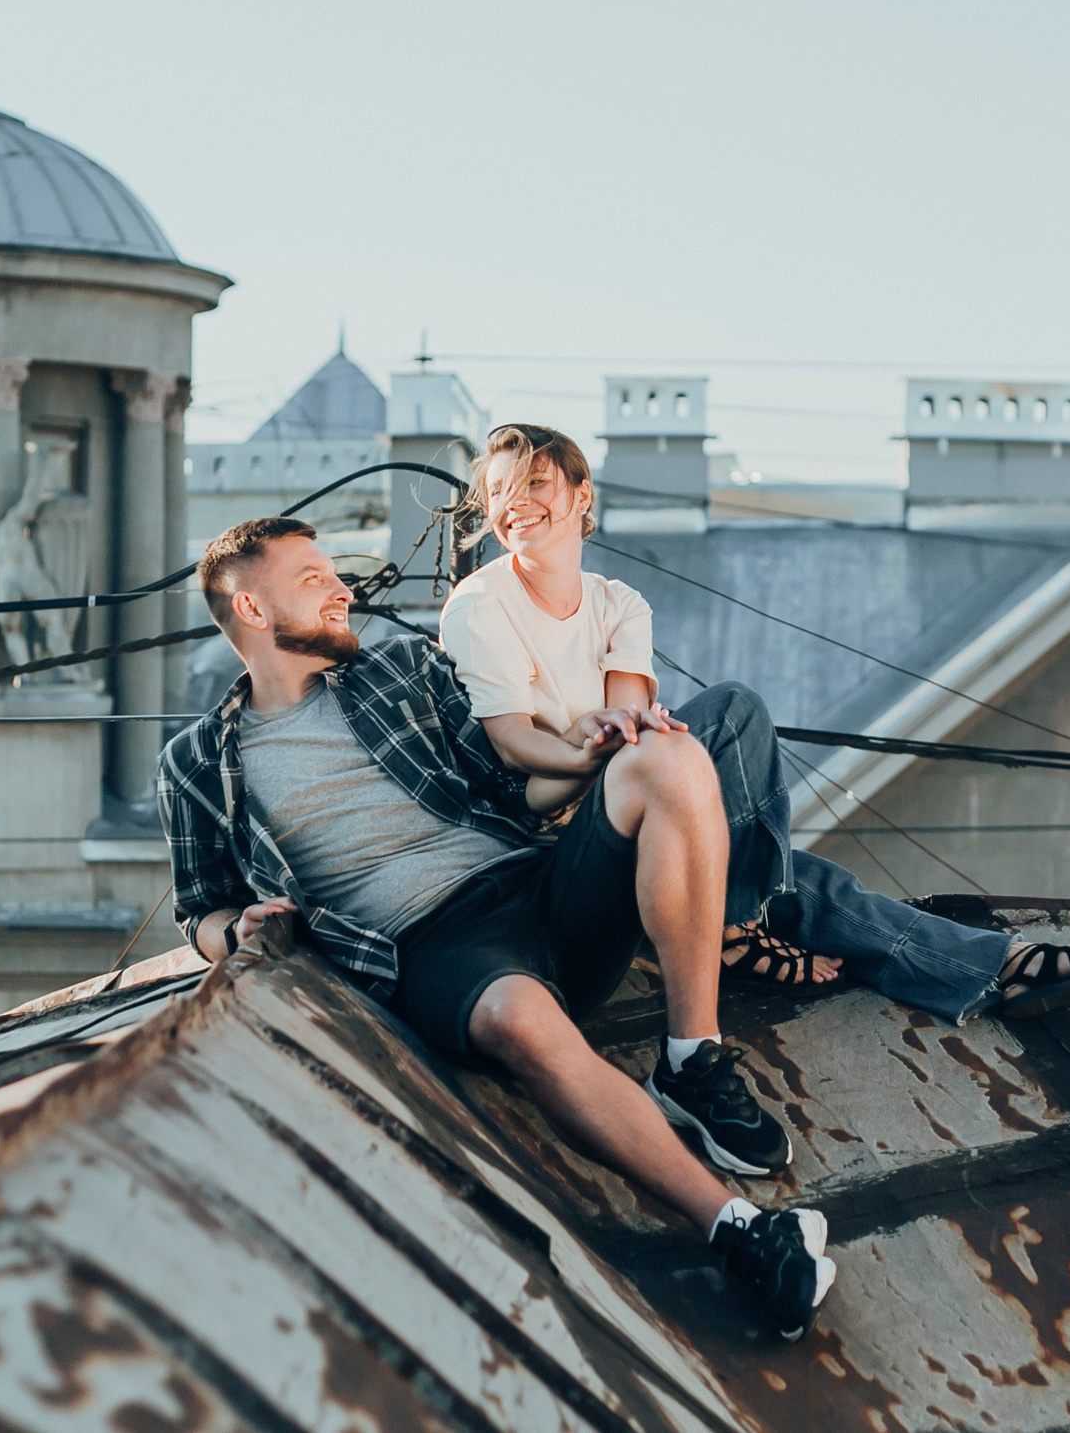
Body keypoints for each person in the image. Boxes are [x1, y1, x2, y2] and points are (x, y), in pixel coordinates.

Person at [156, 517, 837, 1342]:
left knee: (671, 754)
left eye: (335, 572)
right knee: (521, 1022)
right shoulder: (198, 760)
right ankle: (739, 1230)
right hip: (433, 948)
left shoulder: (399, 671)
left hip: (534, 882)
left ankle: (692, 1057)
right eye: (313, 579)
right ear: (252, 611)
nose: (343, 590)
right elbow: (201, 908)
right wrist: (240, 931)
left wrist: (600, 749)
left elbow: (511, 791)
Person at [438, 422, 1070, 1027]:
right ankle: (737, 921)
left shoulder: (619, 604)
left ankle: (999, 968)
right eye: (500, 492)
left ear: (580, 494)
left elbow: (624, 720)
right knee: (744, 743)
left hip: (623, 806)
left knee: (813, 869)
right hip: (554, 855)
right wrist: (599, 748)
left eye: (534, 482)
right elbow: (514, 743)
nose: (516, 504)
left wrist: (609, 742)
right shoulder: (481, 603)